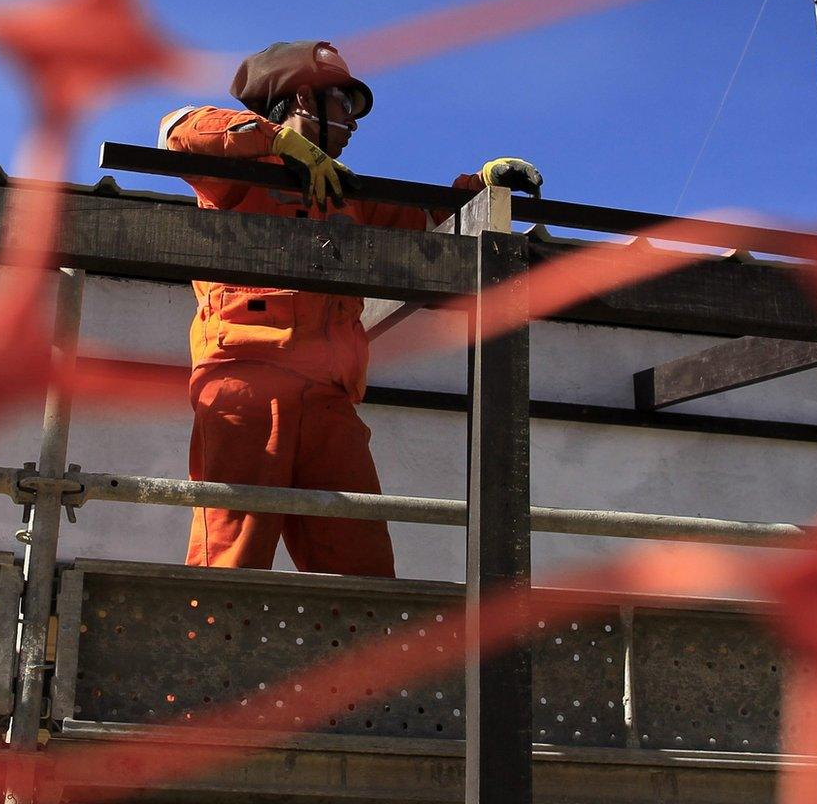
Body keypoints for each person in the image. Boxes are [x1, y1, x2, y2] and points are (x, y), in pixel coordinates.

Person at [159, 40, 541, 577]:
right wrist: (277, 142)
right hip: (246, 380)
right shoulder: (236, 178)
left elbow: (424, 216)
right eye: (344, 102)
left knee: (361, 567)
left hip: (329, 399)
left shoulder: (347, 195)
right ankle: (206, 655)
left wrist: (481, 186)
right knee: (231, 556)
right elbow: (178, 128)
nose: (354, 122)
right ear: (299, 99)